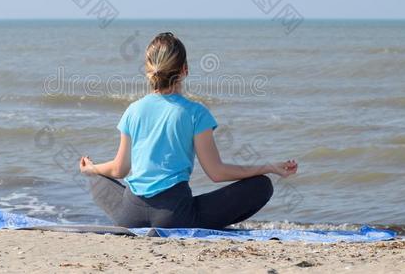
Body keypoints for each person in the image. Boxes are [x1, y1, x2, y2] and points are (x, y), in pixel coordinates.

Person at [79, 32, 298, 229]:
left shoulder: (133, 110)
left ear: (148, 70)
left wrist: (92, 168)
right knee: (261, 186)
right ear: (185, 70)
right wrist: (267, 167)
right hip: (174, 216)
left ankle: (93, 175)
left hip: (129, 216)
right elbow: (216, 172)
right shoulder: (195, 113)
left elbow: (119, 170)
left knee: (97, 178)